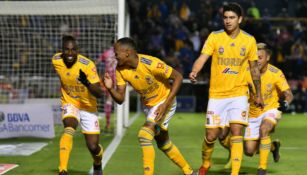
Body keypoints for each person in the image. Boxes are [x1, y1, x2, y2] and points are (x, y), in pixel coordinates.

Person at [189, 3, 264, 175]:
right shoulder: (215, 37)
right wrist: (194, 70)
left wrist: (258, 94)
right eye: (225, 17)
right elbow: (203, 57)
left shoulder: (249, 40)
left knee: (237, 131)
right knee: (211, 135)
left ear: (240, 19)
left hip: (239, 93)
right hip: (217, 95)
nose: (228, 21)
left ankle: (235, 173)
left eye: (232, 18)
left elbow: (254, 69)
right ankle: (206, 164)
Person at [103, 37, 195, 175]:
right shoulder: (120, 70)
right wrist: (110, 89)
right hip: (148, 105)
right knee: (163, 143)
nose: (115, 57)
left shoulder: (151, 63)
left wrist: (165, 104)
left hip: (164, 101)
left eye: (116, 53)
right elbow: (121, 99)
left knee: (144, 135)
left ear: (127, 52)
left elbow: (178, 77)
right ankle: (189, 172)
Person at [52, 35, 104, 175]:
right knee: (69, 127)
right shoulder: (56, 60)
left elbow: (100, 94)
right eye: (66, 50)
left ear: (78, 50)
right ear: (62, 51)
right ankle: (62, 170)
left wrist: (86, 82)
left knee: (93, 147)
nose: (70, 53)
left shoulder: (88, 65)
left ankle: (97, 164)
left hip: (88, 107)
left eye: (73, 50)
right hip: (70, 102)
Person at [244, 43, 293, 175]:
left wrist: (286, 103)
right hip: (252, 113)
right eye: (255, 58)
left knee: (264, 129)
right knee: (249, 151)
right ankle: (273, 147)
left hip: (271, 109)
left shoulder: (276, 73)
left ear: (268, 58)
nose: (257, 61)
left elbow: (289, 94)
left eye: (260, 57)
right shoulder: (246, 72)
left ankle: (262, 169)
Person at [95, 46, 117, 133]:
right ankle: (120, 124)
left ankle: (108, 124)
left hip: (108, 79)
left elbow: (96, 62)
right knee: (118, 100)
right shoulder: (121, 52)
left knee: (108, 101)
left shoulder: (106, 53)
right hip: (118, 78)